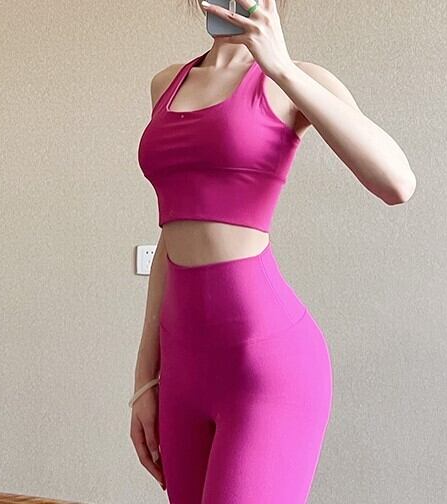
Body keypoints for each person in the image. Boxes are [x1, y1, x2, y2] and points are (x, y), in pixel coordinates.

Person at [130, 0, 416, 502]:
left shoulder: (296, 78)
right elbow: (172, 239)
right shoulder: (166, 83)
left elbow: (397, 184)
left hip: (266, 368)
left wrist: (280, 66)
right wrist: (144, 380)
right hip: (181, 368)